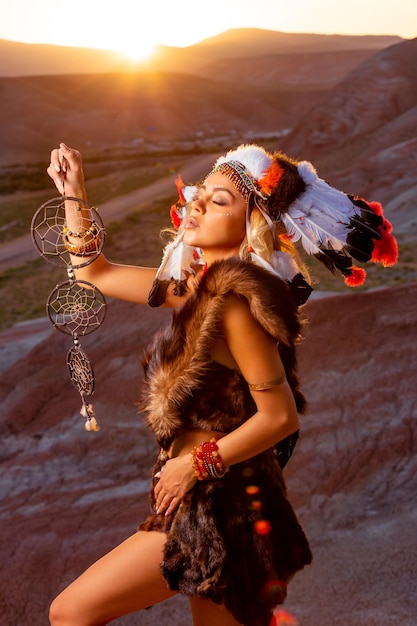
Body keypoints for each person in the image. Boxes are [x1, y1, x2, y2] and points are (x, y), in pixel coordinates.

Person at [46, 142, 397, 626]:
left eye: (219, 201)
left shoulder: (234, 303)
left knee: (70, 612)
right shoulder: (199, 291)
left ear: (252, 223)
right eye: (200, 193)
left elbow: (280, 416)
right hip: (205, 502)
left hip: (219, 505)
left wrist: (193, 465)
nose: (197, 204)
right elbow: (96, 273)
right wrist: (73, 194)